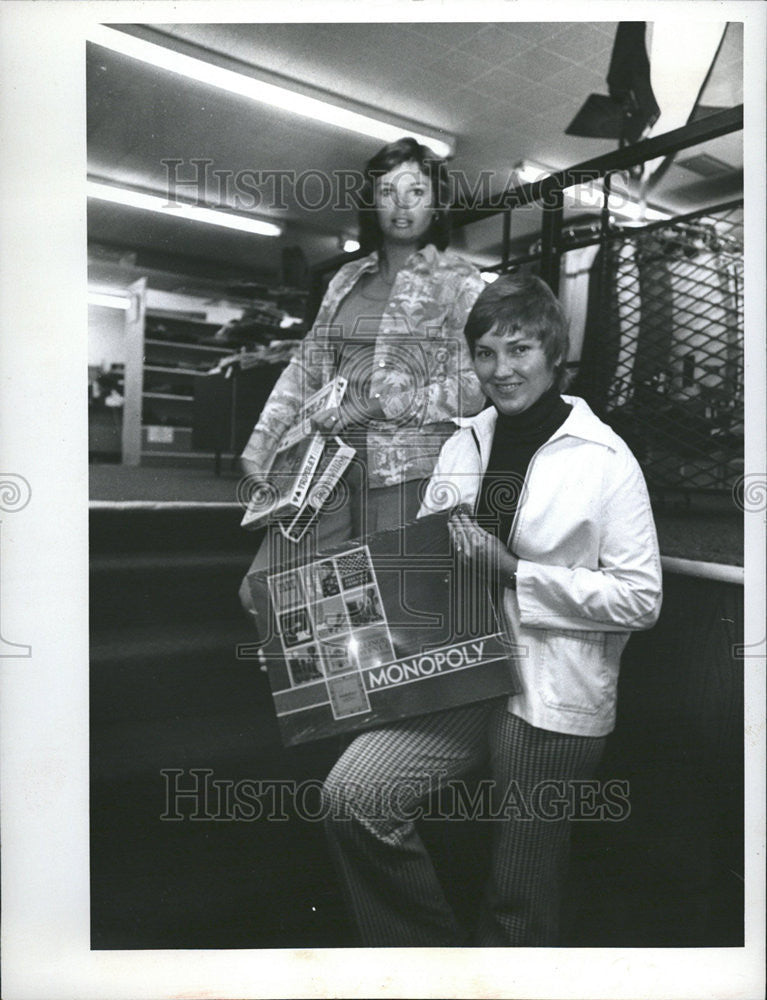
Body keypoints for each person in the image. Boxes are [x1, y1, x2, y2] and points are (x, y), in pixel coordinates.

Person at [321, 272, 663, 946]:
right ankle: (425, 962)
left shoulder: (605, 458)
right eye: (484, 352)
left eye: (519, 349)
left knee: (520, 889)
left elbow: (639, 597)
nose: (500, 369)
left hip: (549, 691)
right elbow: (434, 565)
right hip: (463, 676)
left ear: (552, 352)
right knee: (352, 797)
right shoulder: (463, 441)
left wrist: (516, 574)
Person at [238, 136, 485, 614]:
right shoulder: (347, 278)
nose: (401, 205)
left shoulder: (460, 282)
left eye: (416, 192)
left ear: (437, 202)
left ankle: (345, 690)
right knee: (267, 596)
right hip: (325, 463)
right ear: (372, 201)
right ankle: (317, 686)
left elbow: (473, 387)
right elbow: (305, 367)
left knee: (379, 613)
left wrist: (377, 404)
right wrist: (260, 451)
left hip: (407, 471)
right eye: (388, 191)